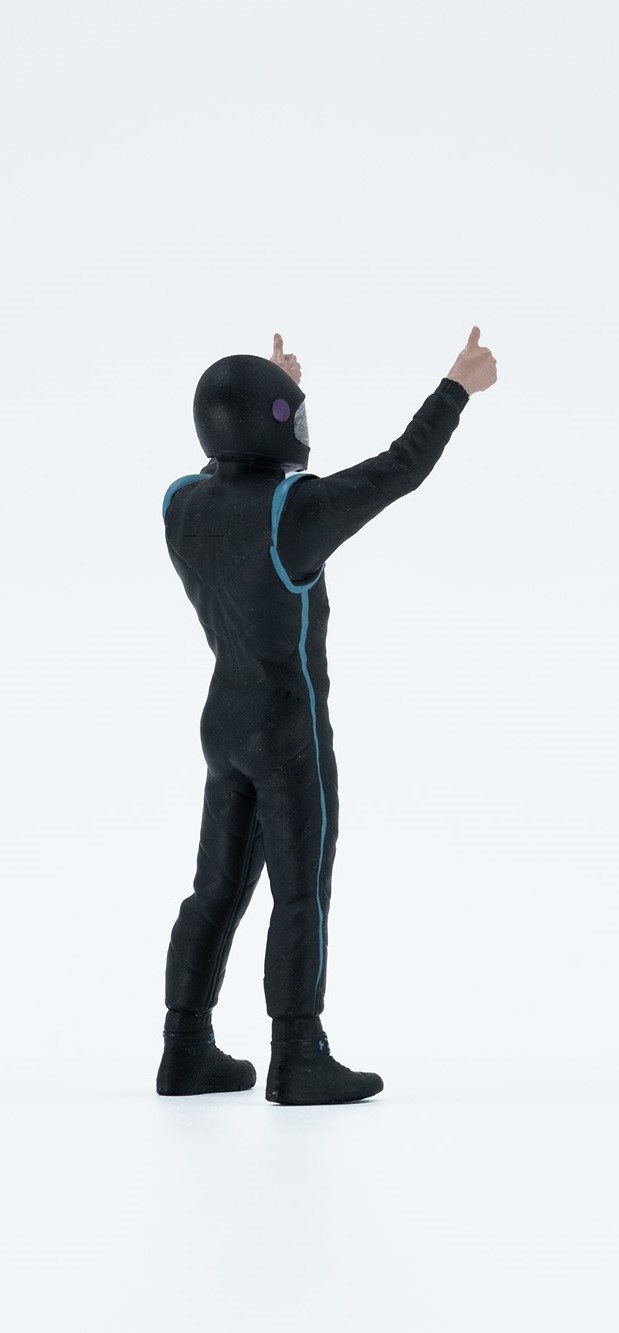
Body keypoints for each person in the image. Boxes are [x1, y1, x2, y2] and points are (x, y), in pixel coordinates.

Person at [156, 327, 497, 1105]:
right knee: (299, 890)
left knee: (214, 889)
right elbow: (398, 468)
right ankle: (297, 1055)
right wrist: (455, 386)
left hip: (221, 725)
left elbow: (227, 466)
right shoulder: (294, 513)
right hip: (284, 732)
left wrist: (260, 394)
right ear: (277, 425)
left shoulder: (182, 505)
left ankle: (184, 1048)